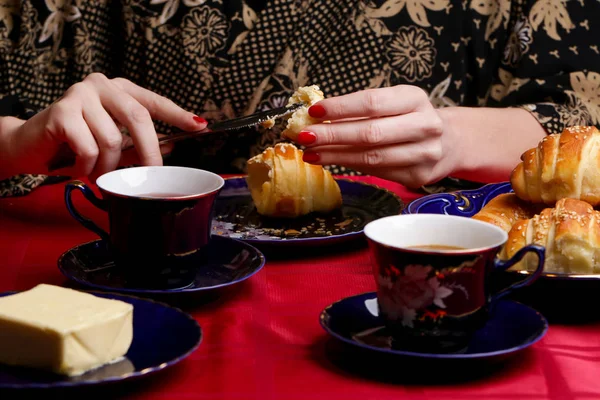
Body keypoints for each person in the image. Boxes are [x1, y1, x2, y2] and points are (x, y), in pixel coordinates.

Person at [0, 0, 598, 197]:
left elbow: (580, 108)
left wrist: (455, 139)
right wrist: (18, 141)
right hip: (135, 265)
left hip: (417, 272)